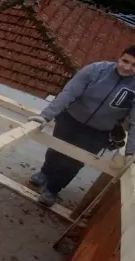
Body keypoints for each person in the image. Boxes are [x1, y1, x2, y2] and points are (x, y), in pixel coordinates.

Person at [27, 48, 135, 206]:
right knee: (56, 150)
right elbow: (69, 93)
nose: (127, 67)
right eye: (125, 61)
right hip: (70, 120)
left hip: (98, 132)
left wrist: (131, 152)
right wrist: (45, 116)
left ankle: (53, 189)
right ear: (119, 57)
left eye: (134, 65)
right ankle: (45, 172)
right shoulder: (96, 70)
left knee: (74, 162)